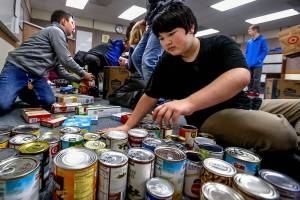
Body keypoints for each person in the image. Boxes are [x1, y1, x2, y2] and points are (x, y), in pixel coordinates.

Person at [107, 3, 300, 157]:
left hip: (247, 103)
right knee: (282, 133)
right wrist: (127, 125)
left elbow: (241, 76)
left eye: (172, 34)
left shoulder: (220, 43)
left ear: (191, 28)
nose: (167, 42)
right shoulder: (167, 61)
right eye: (162, 38)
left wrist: (188, 102)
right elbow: (150, 95)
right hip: (211, 118)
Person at [0, 10, 94, 115]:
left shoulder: (58, 40)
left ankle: (22, 90)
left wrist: (79, 79)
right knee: (2, 105)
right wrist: (83, 73)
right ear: (63, 22)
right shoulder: (56, 31)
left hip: (35, 76)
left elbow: (61, 71)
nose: (74, 28)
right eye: (72, 23)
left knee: (49, 101)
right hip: (17, 69)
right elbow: (66, 60)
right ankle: (15, 88)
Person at [131, 0, 184, 83]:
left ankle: (158, 94)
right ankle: (153, 88)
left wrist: (168, 12)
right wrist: (146, 19)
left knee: (149, 60)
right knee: (136, 57)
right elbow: (152, 6)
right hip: (152, 23)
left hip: (163, 18)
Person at [245, 25, 269, 97]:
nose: (248, 31)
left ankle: (255, 92)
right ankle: (249, 91)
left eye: (250, 30)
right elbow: (246, 52)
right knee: (249, 78)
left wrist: (259, 59)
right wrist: (246, 61)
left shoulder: (262, 40)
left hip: (257, 64)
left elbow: (265, 50)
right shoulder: (249, 42)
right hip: (249, 63)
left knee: (256, 79)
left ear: (255, 30)